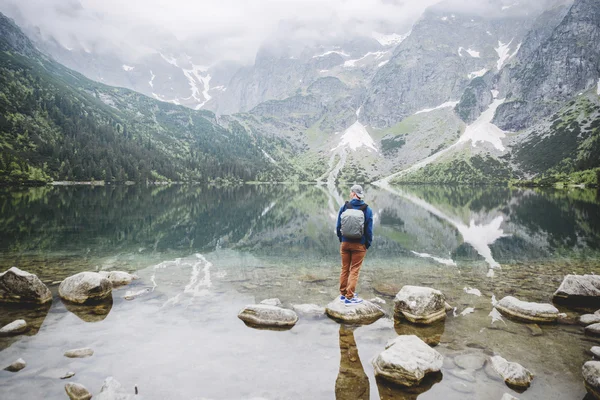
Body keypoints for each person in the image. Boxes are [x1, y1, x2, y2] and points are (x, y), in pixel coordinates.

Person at [336, 184, 373, 306]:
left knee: (345, 268)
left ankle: (343, 294)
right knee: (354, 270)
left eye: (350, 192)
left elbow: (338, 227)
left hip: (345, 243)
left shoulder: (344, 207)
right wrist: (366, 244)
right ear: (360, 195)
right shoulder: (367, 209)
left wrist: (342, 239)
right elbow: (369, 231)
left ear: (353, 194)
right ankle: (349, 297)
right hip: (359, 245)